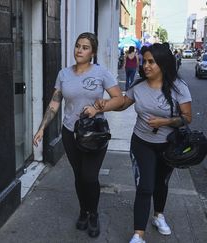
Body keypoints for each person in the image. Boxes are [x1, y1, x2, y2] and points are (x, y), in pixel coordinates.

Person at [95, 43, 192, 243]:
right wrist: (105, 106)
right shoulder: (138, 87)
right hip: (142, 143)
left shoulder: (178, 87)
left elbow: (187, 117)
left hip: (168, 145)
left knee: (161, 183)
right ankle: (138, 234)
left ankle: (158, 216)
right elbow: (122, 104)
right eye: (144, 61)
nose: (145, 65)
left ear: (163, 64)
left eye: (151, 62)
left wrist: (165, 122)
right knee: (145, 186)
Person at [32, 32, 124, 238]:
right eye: (77, 46)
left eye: (85, 47)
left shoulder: (101, 73)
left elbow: (119, 99)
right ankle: (84, 210)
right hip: (71, 133)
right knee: (78, 175)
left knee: (90, 177)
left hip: (94, 133)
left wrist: (100, 108)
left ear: (92, 52)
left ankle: (94, 214)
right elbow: (55, 103)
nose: (79, 50)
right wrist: (41, 128)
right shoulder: (64, 74)